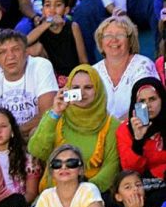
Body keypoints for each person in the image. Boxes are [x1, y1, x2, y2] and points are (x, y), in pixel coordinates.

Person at [28, 65, 121, 193]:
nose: (82, 93)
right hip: (53, 193)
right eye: (76, 88)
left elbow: (110, 169)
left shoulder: (111, 124)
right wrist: (55, 113)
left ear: (98, 90)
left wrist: (79, 191)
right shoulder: (56, 116)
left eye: (88, 87)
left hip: (91, 195)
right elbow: (37, 150)